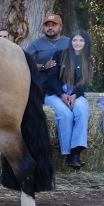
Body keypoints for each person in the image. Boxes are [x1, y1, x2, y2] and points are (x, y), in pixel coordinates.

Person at [43, 30, 94, 169]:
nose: (77, 43)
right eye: (75, 40)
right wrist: (62, 94)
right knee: (66, 114)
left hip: (76, 93)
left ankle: (75, 154)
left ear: (86, 43)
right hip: (54, 93)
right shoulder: (60, 55)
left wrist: (74, 95)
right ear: (71, 42)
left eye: (81, 40)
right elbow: (52, 78)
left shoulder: (87, 59)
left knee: (82, 111)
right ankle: (68, 152)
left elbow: (84, 83)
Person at [24, 14, 70, 82]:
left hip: (66, 87)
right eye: (47, 25)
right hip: (42, 86)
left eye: (54, 25)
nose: (50, 28)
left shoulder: (69, 42)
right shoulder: (36, 44)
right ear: (43, 27)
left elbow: (80, 59)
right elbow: (26, 63)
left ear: (60, 27)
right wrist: (43, 66)